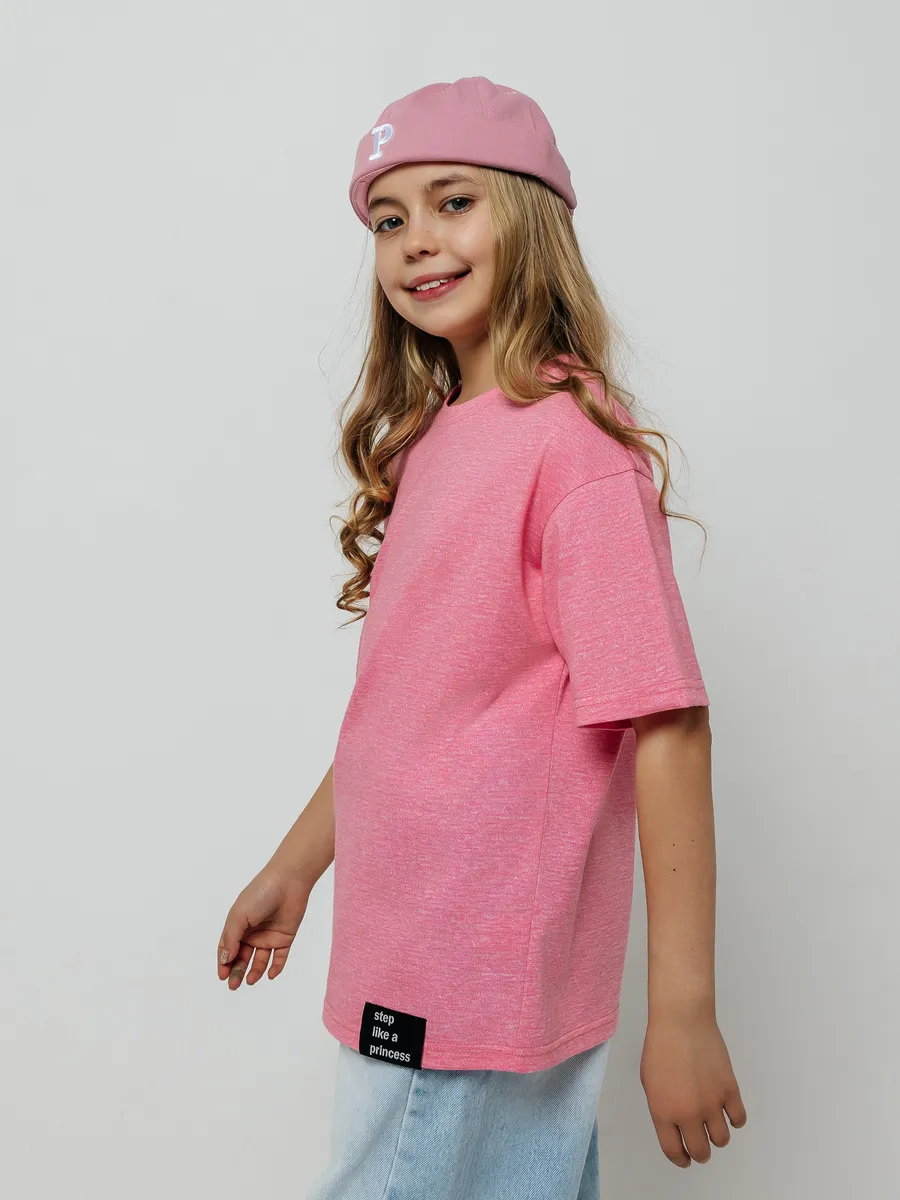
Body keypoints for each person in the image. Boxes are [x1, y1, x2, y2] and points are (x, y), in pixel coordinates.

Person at [217, 76, 747, 1198]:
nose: (417, 240)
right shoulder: (438, 441)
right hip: (405, 941)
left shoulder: (572, 452)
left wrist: (685, 1010)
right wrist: (297, 866)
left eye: (453, 201)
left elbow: (669, 724)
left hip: (470, 963)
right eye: (388, 218)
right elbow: (413, 710)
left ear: (532, 217)